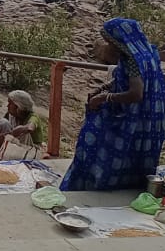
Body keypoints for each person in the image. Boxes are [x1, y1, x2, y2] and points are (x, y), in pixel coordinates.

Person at [61, 18, 165, 191]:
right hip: (148, 118)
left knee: (95, 139)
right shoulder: (148, 53)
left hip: (134, 116)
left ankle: (96, 184)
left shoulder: (133, 59)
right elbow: (123, 79)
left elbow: (136, 93)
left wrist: (104, 98)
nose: (110, 45)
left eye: (111, 41)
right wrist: (102, 87)